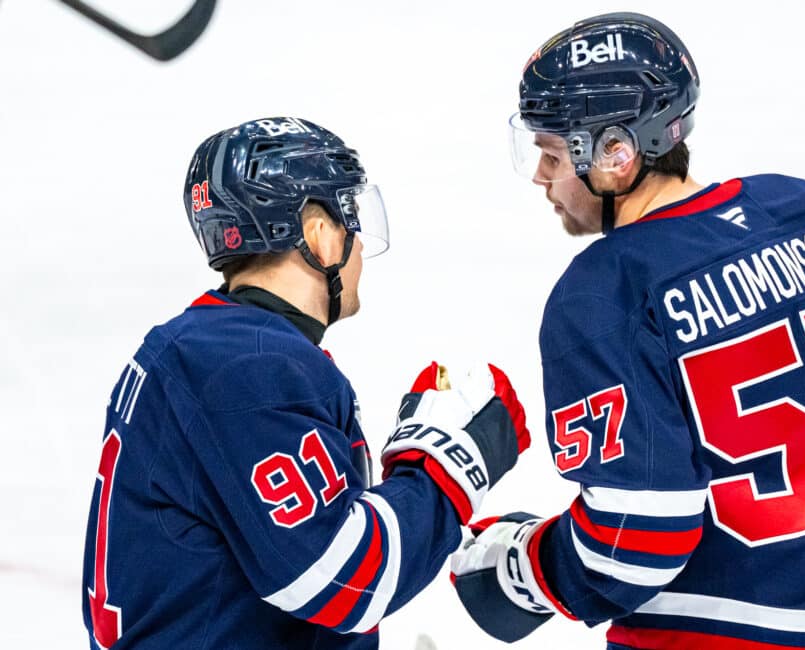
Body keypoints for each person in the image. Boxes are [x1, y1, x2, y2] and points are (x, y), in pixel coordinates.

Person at [450, 13, 805, 649]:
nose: (539, 175)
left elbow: (634, 546)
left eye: (552, 153)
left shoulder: (604, 293)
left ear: (615, 154)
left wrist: (519, 564)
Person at [81, 116, 530, 649]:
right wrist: (444, 472)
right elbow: (342, 583)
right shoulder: (249, 368)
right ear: (318, 233)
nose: (358, 245)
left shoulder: (209, 347)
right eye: (350, 217)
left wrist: (436, 521)